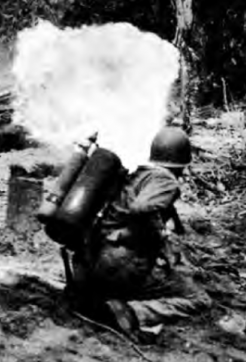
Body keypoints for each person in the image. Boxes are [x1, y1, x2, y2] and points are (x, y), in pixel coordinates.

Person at [70, 127, 212, 339]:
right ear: (181, 163)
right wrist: (162, 237)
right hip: (118, 268)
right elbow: (141, 209)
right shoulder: (165, 181)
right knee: (198, 299)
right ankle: (131, 312)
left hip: (91, 260)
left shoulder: (138, 175)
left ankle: (95, 294)